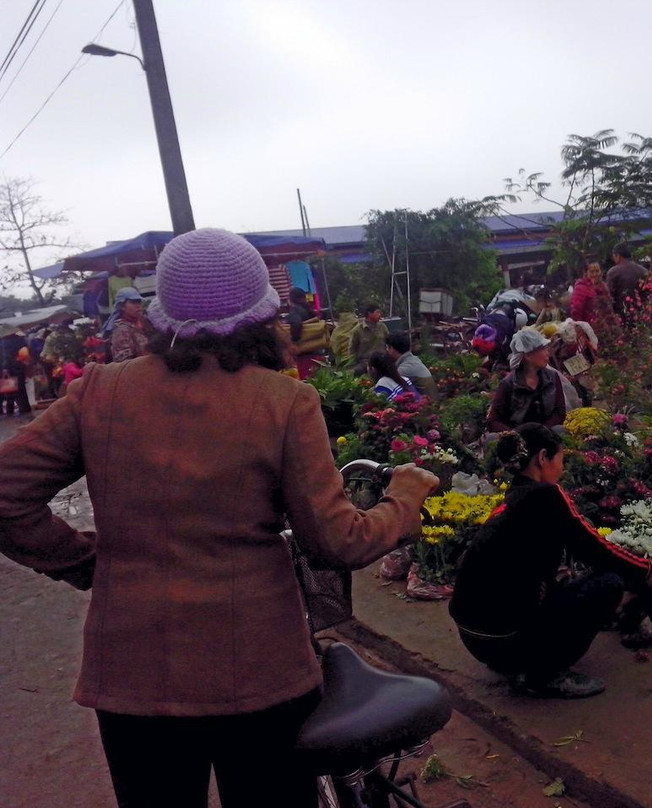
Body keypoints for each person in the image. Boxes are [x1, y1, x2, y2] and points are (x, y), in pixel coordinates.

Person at [0, 228, 439, 808]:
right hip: (260, 674)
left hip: (132, 677)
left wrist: (92, 564)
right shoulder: (283, 401)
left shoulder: (99, 392)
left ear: (162, 314)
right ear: (261, 314)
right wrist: (403, 500)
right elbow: (339, 542)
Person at [449, 424, 652, 698]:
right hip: (506, 640)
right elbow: (594, 546)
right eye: (560, 459)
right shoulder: (546, 495)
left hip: (477, 639)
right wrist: (646, 569)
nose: (562, 468)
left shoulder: (513, 496)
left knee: (567, 583)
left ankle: (525, 662)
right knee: (607, 584)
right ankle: (545, 675)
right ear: (542, 458)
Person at [485, 330, 566, 433]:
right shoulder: (509, 384)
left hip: (546, 434)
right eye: (542, 349)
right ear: (527, 355)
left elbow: (560, 413)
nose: (548, 354)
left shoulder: (552, 378)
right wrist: (514, 435)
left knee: (560, 430)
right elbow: (493, 420)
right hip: (516, 437)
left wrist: (543, 432)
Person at [384, 331, 437, 400]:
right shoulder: (413, 360)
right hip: (430, 403)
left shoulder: (403, 370)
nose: (386, 351)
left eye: (387, 348)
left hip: (425, 406)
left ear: (392, 349)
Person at [606, 242, 648, 323]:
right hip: (642, 316)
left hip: (621, 317)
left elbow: (609, 297)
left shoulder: (613, 272)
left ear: (618, 255)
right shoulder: (643, 271)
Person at [105, 287, 148, 363]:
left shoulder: (143, 321)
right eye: (133, 302)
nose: (138, 305)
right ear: (122, 306)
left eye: (139, 302)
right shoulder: (121, 329)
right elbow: (124, 362)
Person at [569, 259, 612, 325]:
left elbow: (609, 307)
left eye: (597, 271)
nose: (595, 274)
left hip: (605, 327)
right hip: (589, 328)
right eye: (592, 272)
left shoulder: (603, 286)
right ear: (585, 272)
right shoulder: (580, 288)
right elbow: (576, 311)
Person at [0, 327, 32, 416]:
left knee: (8, 389)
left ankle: (9, 410)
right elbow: (26, 354)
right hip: (19, 367)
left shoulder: (3, 342)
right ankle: (25, 408)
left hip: (8, 369)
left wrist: (5, 368)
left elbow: (4, 357)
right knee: (21, 390)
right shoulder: (21, 340)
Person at [350, 305, 389, 372]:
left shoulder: (382, 327)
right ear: (369, 314)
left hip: (382, 361)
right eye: (377, 312)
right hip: (365, 363)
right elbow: (352, 349)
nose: (380, 315)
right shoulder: (357, 330)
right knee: (355, 372)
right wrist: (352, 363)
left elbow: (389, 342)